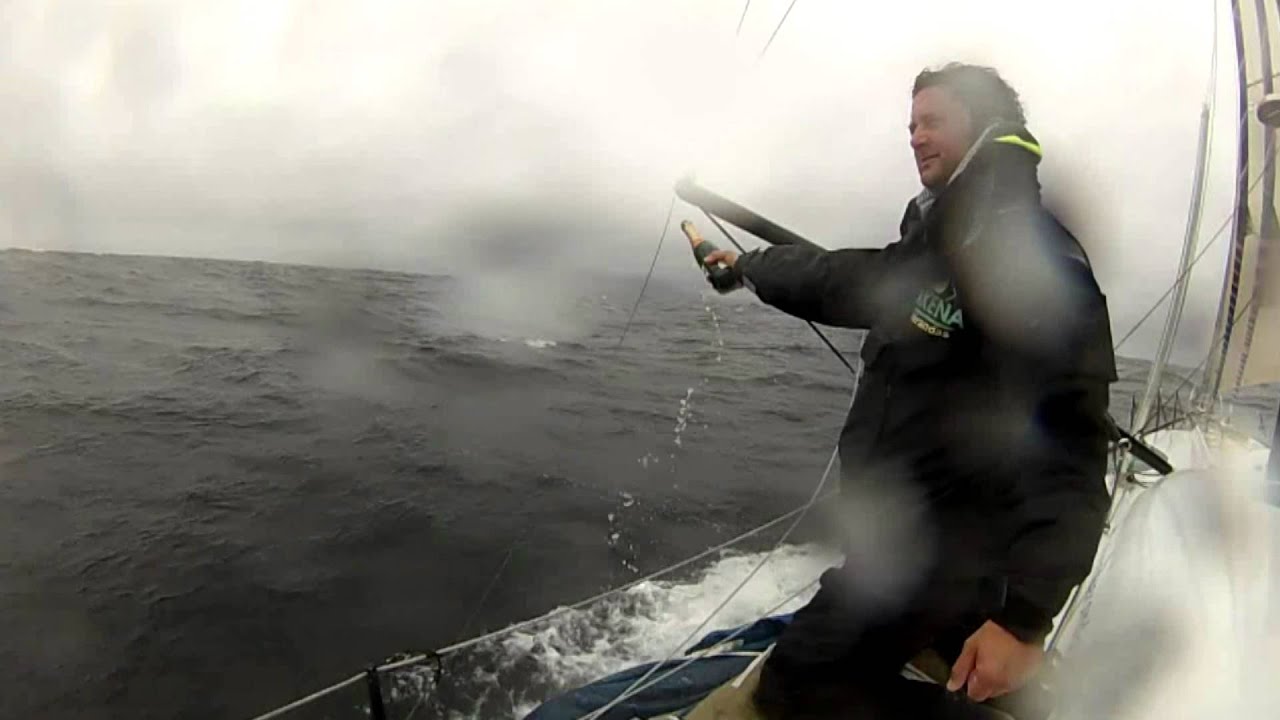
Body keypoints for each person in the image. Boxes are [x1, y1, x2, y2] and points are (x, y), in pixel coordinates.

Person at [702, 63, 1118, 717]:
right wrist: (749, 267)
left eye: (934, 121)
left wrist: (1024, 622)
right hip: (921, 549)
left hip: (945, 556)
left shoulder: (1031, 255)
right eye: (911, 125)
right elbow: (843, 281)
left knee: (796, 689)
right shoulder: (940, 245)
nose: (916, 137)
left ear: (985, 123)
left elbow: (1072, 446)